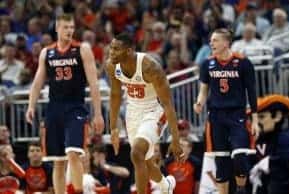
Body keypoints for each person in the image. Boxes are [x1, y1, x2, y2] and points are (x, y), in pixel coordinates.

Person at [26, 13, 104, 194]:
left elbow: (93, 83)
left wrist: (98, 113)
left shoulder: (82, 49)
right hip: (54, 109)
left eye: (71, 27)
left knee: (73, 153)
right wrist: (31, 105)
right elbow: (37, 82)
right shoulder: (47, 52)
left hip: (75, 107)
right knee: (58, 161)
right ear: (57, 28)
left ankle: (77, 191)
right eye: (65, 27)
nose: (69, 31)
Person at [106, 33, 184, 194]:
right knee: (146, 163)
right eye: (111, 48)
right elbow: (114, 96)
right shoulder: (112, 65)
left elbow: (168, 104)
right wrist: (113, 128)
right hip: (132, 112)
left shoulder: (150, 67)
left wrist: (176, 139)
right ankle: (165, 185)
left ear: (128, 51)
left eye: (116, 49)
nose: (111, 52)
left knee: (136, 153)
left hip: (154, 111)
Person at [194, 28, 259, 194]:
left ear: (226, 42)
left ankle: (240, 189)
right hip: (216, 117)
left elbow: (251, 92)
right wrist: (199, 102)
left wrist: (255, 120)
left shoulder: (243, 62)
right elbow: (203, 90)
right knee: (221, 162)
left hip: (237, 115)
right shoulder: (207, 63)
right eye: (211, 40)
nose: (211, 43)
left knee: (240, 156)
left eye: (215, 40)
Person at [249, 94, 289, 194]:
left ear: (277, 116)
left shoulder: (284, 139)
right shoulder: (259, 141)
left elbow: (280, 171)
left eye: (262, 117)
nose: (256, 123)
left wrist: (265, 164)